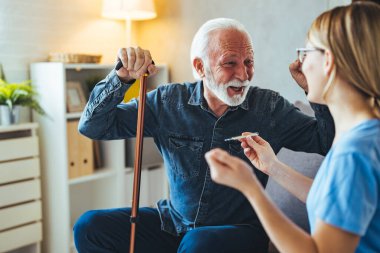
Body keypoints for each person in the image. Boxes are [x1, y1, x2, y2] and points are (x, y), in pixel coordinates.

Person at [73, 17, 335, 253]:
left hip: (239, 232)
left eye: (248, 62)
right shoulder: (168, 101)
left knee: (198, 243)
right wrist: (121, 78)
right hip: (174, 224)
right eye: (230, 63)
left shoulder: (270, 108)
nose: (243, 75)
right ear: (200, 67)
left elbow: (327, 142)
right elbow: (93, 126)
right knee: (89, 227)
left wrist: (316, 92)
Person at [205, 3, 380, 253]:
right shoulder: (366, 135)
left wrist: (251, 189)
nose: (300, 64)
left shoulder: (355, 152)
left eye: (306, 53)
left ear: (328, 62)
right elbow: (332, 202)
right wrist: (273, 167)